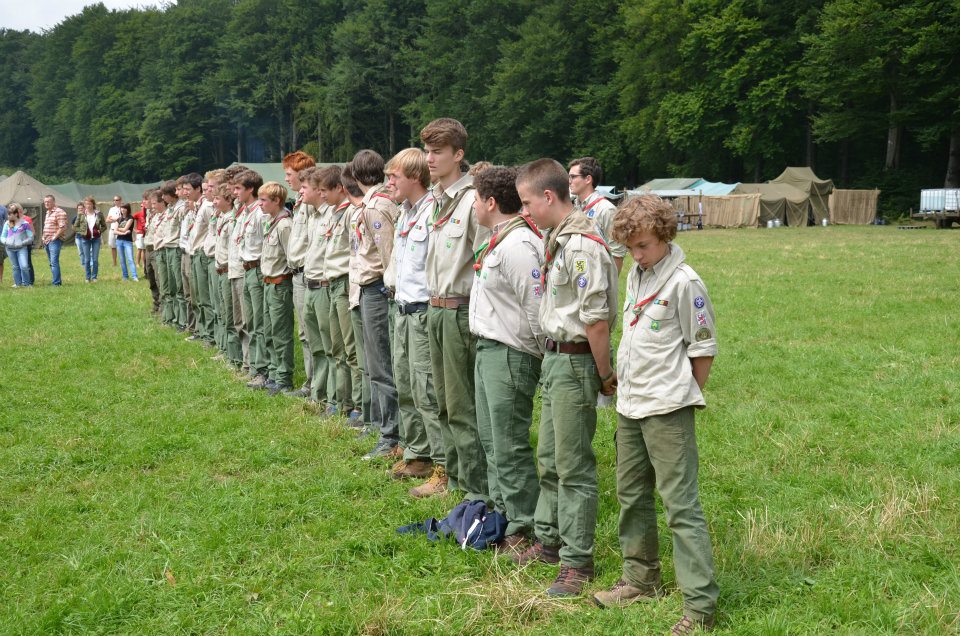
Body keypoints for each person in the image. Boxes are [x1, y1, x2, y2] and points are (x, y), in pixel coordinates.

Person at [591, 195, 719, 635]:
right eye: (630, 248)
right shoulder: (638, 276)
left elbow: (702, 351)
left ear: (665, 235)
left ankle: (700, 608)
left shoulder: (685, 282)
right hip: (631, 404)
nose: (637, 255)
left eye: (643, 245)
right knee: (631, 495)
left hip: (667, 409)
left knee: (680, 506)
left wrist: (680, 396)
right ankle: (640, 579)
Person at [511, 159, 618, 598]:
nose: (525, 211)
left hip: (576, 361)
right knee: (551, 458)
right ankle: (549, 540)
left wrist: (605, 374)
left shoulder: (581, 245)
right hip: (557, 358)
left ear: (549, 197)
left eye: (527, 202)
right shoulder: (559, 239)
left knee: (573, 466)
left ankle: (578, 561)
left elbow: (595, 320)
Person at [469, 166, 545, 551]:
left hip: (511, 353)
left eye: (477, 198)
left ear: (491, 202)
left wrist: (535, 357)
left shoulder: (518, 246)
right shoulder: (498, 239)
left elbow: (536, 309)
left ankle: (524, 524)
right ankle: (502, 513)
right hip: (488, 349)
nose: (474, 205)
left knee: (509, 442)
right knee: (491, 439)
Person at [418, 117, 491, 501]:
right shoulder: (437, 199)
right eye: (427, 151)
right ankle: (450, 474)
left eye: (437, 152)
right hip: (435, 308)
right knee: (442, 400)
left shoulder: (472, 201)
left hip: (459, 311)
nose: (429, 159)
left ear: (458, 155)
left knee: (462, 406)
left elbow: (483, 264)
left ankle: (474, 489)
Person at [384, 148, 444, 487]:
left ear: (415, 178)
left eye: (394, 176)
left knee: (426, 390)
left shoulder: (432, 212)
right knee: (405, 384)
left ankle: (442, 465)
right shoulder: (405, 213)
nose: (389, 182)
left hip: (423, 312)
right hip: (402, 310)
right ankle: (416, 453)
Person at [348, 150, 401, 461]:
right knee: (375, 364)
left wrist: (385, 290)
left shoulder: (377, 207)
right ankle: (384, 424)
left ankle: (391, 435)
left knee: (382, 365)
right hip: (369, 288)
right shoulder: (372, 205)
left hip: (377, 289)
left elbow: (386, 255)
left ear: (356, 176)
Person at [283, 151, 318, 397]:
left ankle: (316, 385)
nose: (286, 178)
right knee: (304, 333)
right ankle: (311, 381)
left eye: (289, 174)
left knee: (313, 333)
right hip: (298, 273)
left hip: (308, 272)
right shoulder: (298, 200)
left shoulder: (311, 203)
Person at [258, 181, 296, 395]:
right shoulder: (271, 222)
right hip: (268, 283)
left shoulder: (284, 225)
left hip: (280, 284)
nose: (260, 204)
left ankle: (284, 377)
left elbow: (291, 257)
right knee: (270, 331)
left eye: (264, 200)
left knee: (281, 332)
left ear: (277, 201)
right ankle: (273, 372)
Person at [234, 170, 270, 388]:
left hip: (257, 270)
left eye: (239, 188)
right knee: (250, 320)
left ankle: (262, 370)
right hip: (246, 269)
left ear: (250, 189)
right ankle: (256, 366)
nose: (235, 192)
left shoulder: (259, 213)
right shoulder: (247, 212)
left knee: (258, 322)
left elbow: (265, 246)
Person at [568, 157, 626, 272]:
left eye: (573, 177)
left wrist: (609, 285)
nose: (569, 181)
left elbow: (617, 253)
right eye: (569, 176)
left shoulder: (606, 209)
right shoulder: (572, 207)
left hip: (599, 280)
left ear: (588, 179)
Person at [212, 182, 243, 369]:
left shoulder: (232, 220)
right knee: (224, 313)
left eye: (217, 198)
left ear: (228, 200)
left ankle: (236, 358)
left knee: (232, 317)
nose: (214, 202)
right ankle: (229, 354)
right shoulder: (223, 217)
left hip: (229, 270)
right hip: (222, 269)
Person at [185, 172, 214, 345]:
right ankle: (203, 331)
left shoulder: (207, 206)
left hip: (202, 254)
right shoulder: (199, 206)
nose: (186, 192)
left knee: (204, 298)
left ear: (198, 190)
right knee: (197, 297)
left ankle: (209, 335)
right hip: (195, 253)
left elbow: (213, 230)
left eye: (189, 189)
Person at [74, 196, 106, 283]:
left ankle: (94, 277)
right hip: (85, 239)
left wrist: (100, 231)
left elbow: (104, 226)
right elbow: (74, 227)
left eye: (90, 204)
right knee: (87, 259)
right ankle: (87, 277)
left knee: (95, 259)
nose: (88, 206)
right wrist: (82, 232)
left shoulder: (99, 214)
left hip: (96, 239)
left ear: (93, 204)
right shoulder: (81, 215)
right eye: (86, 204)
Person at [2, 203, 33, 287]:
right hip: (10, 249)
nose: (8, 216)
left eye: (10, 214)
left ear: (16, 214)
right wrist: (6, 242)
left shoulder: (25, 223)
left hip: (22, 248)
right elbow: (2, 237)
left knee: (24, 266)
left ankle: (27, 284)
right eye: (8, 214)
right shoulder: (8, 224)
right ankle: (17, 283)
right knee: (15, 267)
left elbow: (31, 238)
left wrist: (22, 243)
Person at [41, 194, 68, 286]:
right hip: (47, 241)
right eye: (45, 202)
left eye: (48, 202)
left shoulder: (59, 212)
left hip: (55, 241)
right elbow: (47, 227)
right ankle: (56, 281)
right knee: (51, 262)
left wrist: (54, 237)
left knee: (54, 262)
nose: (46, 203)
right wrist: (43, 237)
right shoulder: (48, 212)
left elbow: (63, 227)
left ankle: (56, 283)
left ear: (54, 202)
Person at [114, 203, 138, 281]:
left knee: (130, 259)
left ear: (128, 209)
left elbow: (125, 228)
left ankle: (134, 276)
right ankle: (125, 276)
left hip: (127, 241)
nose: (123, 210)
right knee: (122, 259)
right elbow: (115, 231)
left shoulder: (130, 218)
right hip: (119, 241)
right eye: (121, 208)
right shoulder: (119, 219)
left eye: (124, 208)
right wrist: (123, 232)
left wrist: (119, 229)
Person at [106, 195, 123, 267]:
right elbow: (107, 220)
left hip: (120, 229)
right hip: (112, 230)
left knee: (120, 246)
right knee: (113, 247)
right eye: (114, 200)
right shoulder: (111, 209)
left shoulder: (123, 208)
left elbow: (123, 219)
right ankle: (114, 263)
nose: (116, 201)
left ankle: (122, 262)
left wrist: (113, 219)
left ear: (120, 200)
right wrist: (115, 219)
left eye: (117, 200)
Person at [133, 199, 147, 268]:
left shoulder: (148, 214)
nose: (143, 207)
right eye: (141, 206)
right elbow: (130, 220)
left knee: (144, 249)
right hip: (140, 233)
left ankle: (144, 263)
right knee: (139, 249)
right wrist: (134, 230)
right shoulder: (138, 214)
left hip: (146, 233)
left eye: (144, 206)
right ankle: (137, 263)